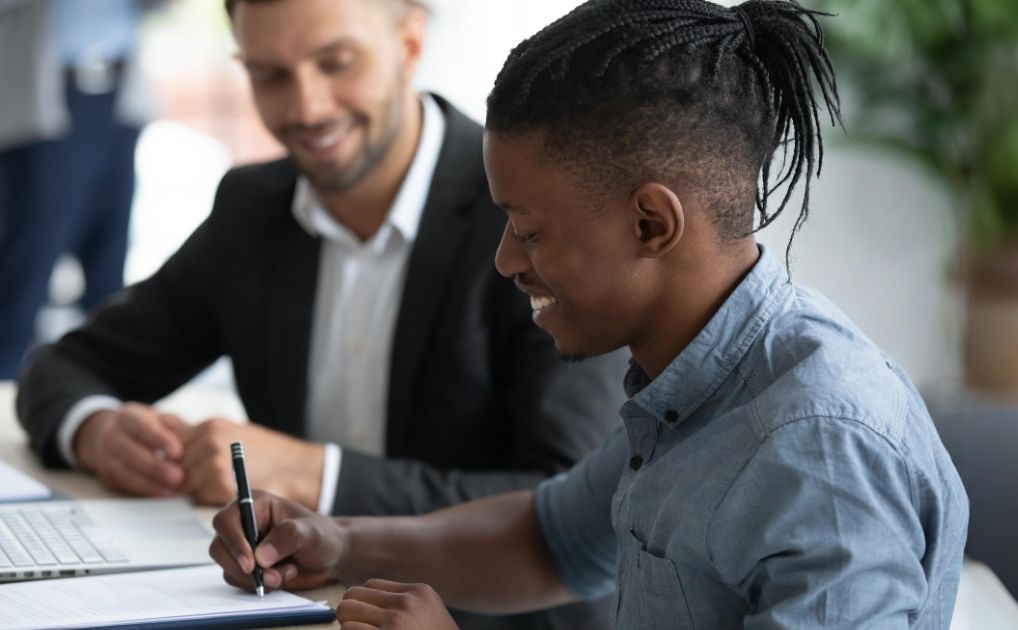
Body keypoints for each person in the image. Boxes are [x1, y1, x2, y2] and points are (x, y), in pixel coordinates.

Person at [208, 0, 971, 628]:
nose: (506, 259)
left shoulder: (817, 454)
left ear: (651, 224)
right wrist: (336, 542)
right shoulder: (691, 380)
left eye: (530, 230)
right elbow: (549, 543)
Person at [17, 0, 624, 627]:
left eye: (336, 63)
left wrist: (320, 475)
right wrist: (96, 431)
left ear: (410, 44)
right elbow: (64, 366)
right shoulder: (253, 209)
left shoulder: (526, 216)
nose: (306, 108)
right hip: (307, 611)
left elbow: (571, 496)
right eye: (270, 76)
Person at [0, 0, 166, 379]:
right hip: (46, 99)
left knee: (109, 265)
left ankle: (102, 390)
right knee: (30, 262)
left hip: (118, 94)